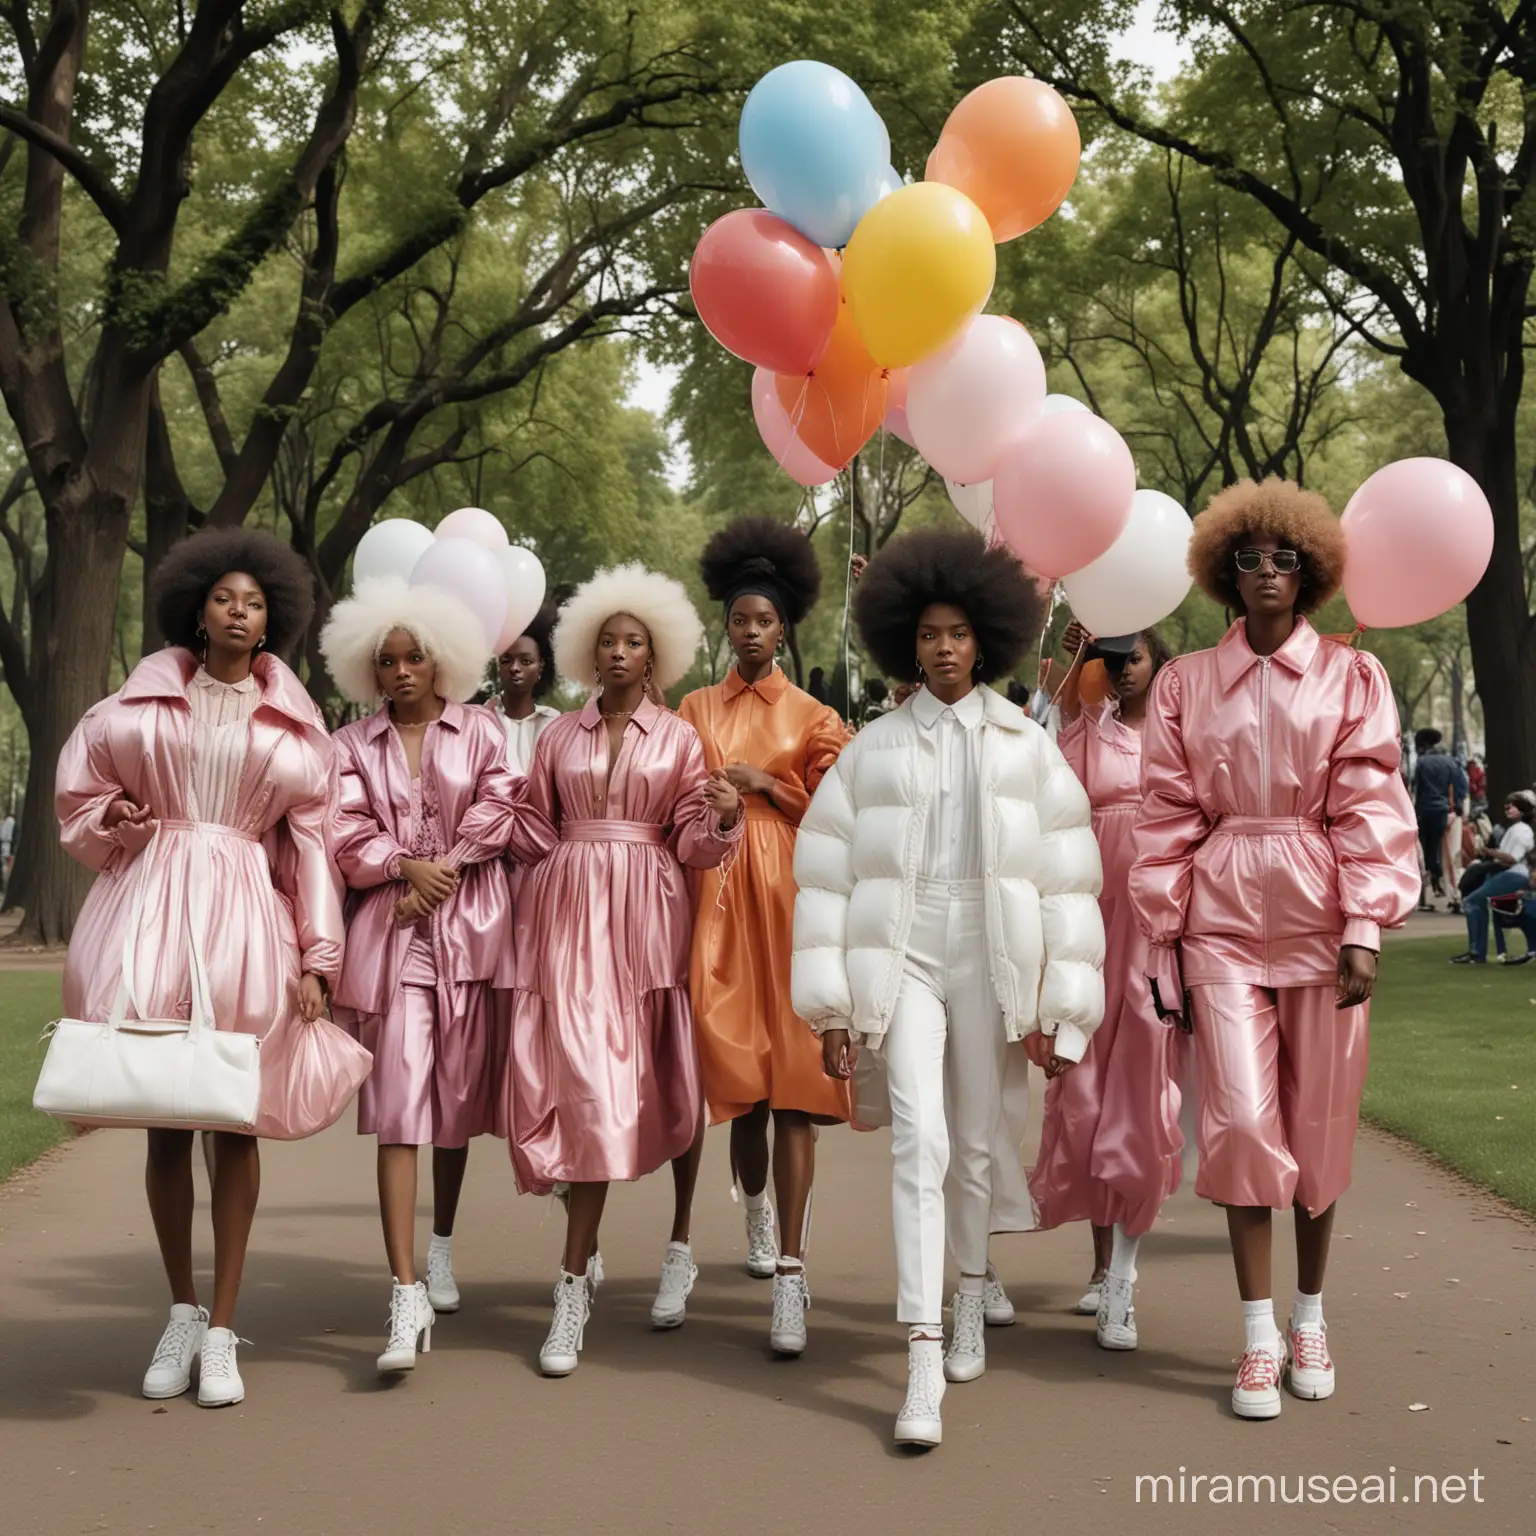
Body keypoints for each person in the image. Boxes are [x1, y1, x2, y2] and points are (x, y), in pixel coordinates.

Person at [792, 527, 1106, 1450]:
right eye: (927, 633)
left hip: (994, 948)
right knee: (918, 1139)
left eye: (958, 632)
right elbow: (827, 880)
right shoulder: (871, 750)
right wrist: (834, 1005)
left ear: (986, 640)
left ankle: (972, 1294)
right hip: (906, 951)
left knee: (976, 1142)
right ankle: (922, 1348)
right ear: (905, 640)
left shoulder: (1025, 745)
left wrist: (1062, 1009)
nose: (942, 647)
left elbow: (1066, 877)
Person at [1130, 478, 1418, 1422]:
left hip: (1320, 919)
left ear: (1310, 572)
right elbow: (1165, 813)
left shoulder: (1350, 677)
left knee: (1320, 1127)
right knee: (1242, 1124)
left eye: (1283, 559)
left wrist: (1366, 924)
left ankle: (1310, 1318)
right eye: (1248, 558)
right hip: (1218, 918)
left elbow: (1371, 803)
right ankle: (1257, 1337)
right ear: (1223, 572)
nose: (1265, 574)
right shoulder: (1184, 684)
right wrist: (1164, 936)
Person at [56, 528, 350, 1407]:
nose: (238, 611)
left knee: (234, 1118)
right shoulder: (133, 708)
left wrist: (319, 954)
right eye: (225, 598)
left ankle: (221, 1332)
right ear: (198, 608)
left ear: (273, 622)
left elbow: (315, 848)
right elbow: (81, 803)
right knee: (163, 1115)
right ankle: (180, 1310)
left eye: (255, 602)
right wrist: (122, 819)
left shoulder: (299, 728)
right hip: (150, 906)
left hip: (247, 918)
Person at [504, 564, 743, 1376]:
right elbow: (533, 826)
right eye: (606, 640)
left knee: (640, 1080)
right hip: (567, 914)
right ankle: (579, 1265)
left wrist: (723, 820)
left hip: (645, 917)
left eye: (633, 641)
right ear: (587, 651)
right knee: (578, 1080)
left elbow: (690, 841)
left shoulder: (678, 738)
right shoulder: (558, 736)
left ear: (655, 657)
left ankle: (592, 1278)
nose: (617, 652)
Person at [321, 577, 554, 1376]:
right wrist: (401, 865)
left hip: (473, 940)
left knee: (453, 1105)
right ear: (368, 670)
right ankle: (403, 1289)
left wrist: (443, 865)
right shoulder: (350, 747)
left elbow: (505, 805)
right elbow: (343, 833)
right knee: (397, 1109)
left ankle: (442, 1246)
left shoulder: (483, 731)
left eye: (414, 656)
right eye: (386, 661)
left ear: (440, 660)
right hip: (391, 944)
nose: (401, 671)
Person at [673, 517, 850, 1357]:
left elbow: (847, 817)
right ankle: (753, 1214)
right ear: (727, 626)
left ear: (784, 630)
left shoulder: (815, 715)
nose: (750, 632)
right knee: (737, 1077)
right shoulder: (694, 707)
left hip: (790, 900)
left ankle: (791, 1270)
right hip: (715, 898)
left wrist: (767, 784)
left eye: (764, 621)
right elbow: (670, 797)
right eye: (740, 619)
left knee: (794, 1086)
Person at [1029, 621, 1185, 1350]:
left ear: (1158, 662)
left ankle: (1124, 1273)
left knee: (1140, 1094)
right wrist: (1073, 658)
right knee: (1084, 1090)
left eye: (1134, 658)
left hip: (1153, 931)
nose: (1122, 671)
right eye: (1110, 660)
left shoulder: (1184, 733)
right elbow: (1048, 712)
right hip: (1087, 925)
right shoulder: (1082, 730)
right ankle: (1100, 1266)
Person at [1450, 790, 1536, 965]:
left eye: (1513, 806)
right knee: (1481, 903)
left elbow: (1512, 858)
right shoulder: (1516, 829)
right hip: (1512, 874)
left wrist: (1488, 851)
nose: (1508, 808)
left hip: (1514, 875)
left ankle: (1477, 952)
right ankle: (1479, 952)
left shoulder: (1522, 831)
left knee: (1473, 901)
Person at [491, 605, 562, 774]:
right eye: (506, 660)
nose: (515, 668)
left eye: (526, 661)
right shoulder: (481, 720)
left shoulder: (554, 724)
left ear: (541, 667)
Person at [1411, 728, 1466, 907]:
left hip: (1423, 809)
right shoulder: (1450, 762)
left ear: (1425, 744)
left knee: (1424, 849)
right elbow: (1461, 786)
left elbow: (1415, 788)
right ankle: (1441, 884)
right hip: (1443, 811)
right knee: (1441, 849)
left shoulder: (1421, 762)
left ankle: (1424, 892)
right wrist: (1457, 805)